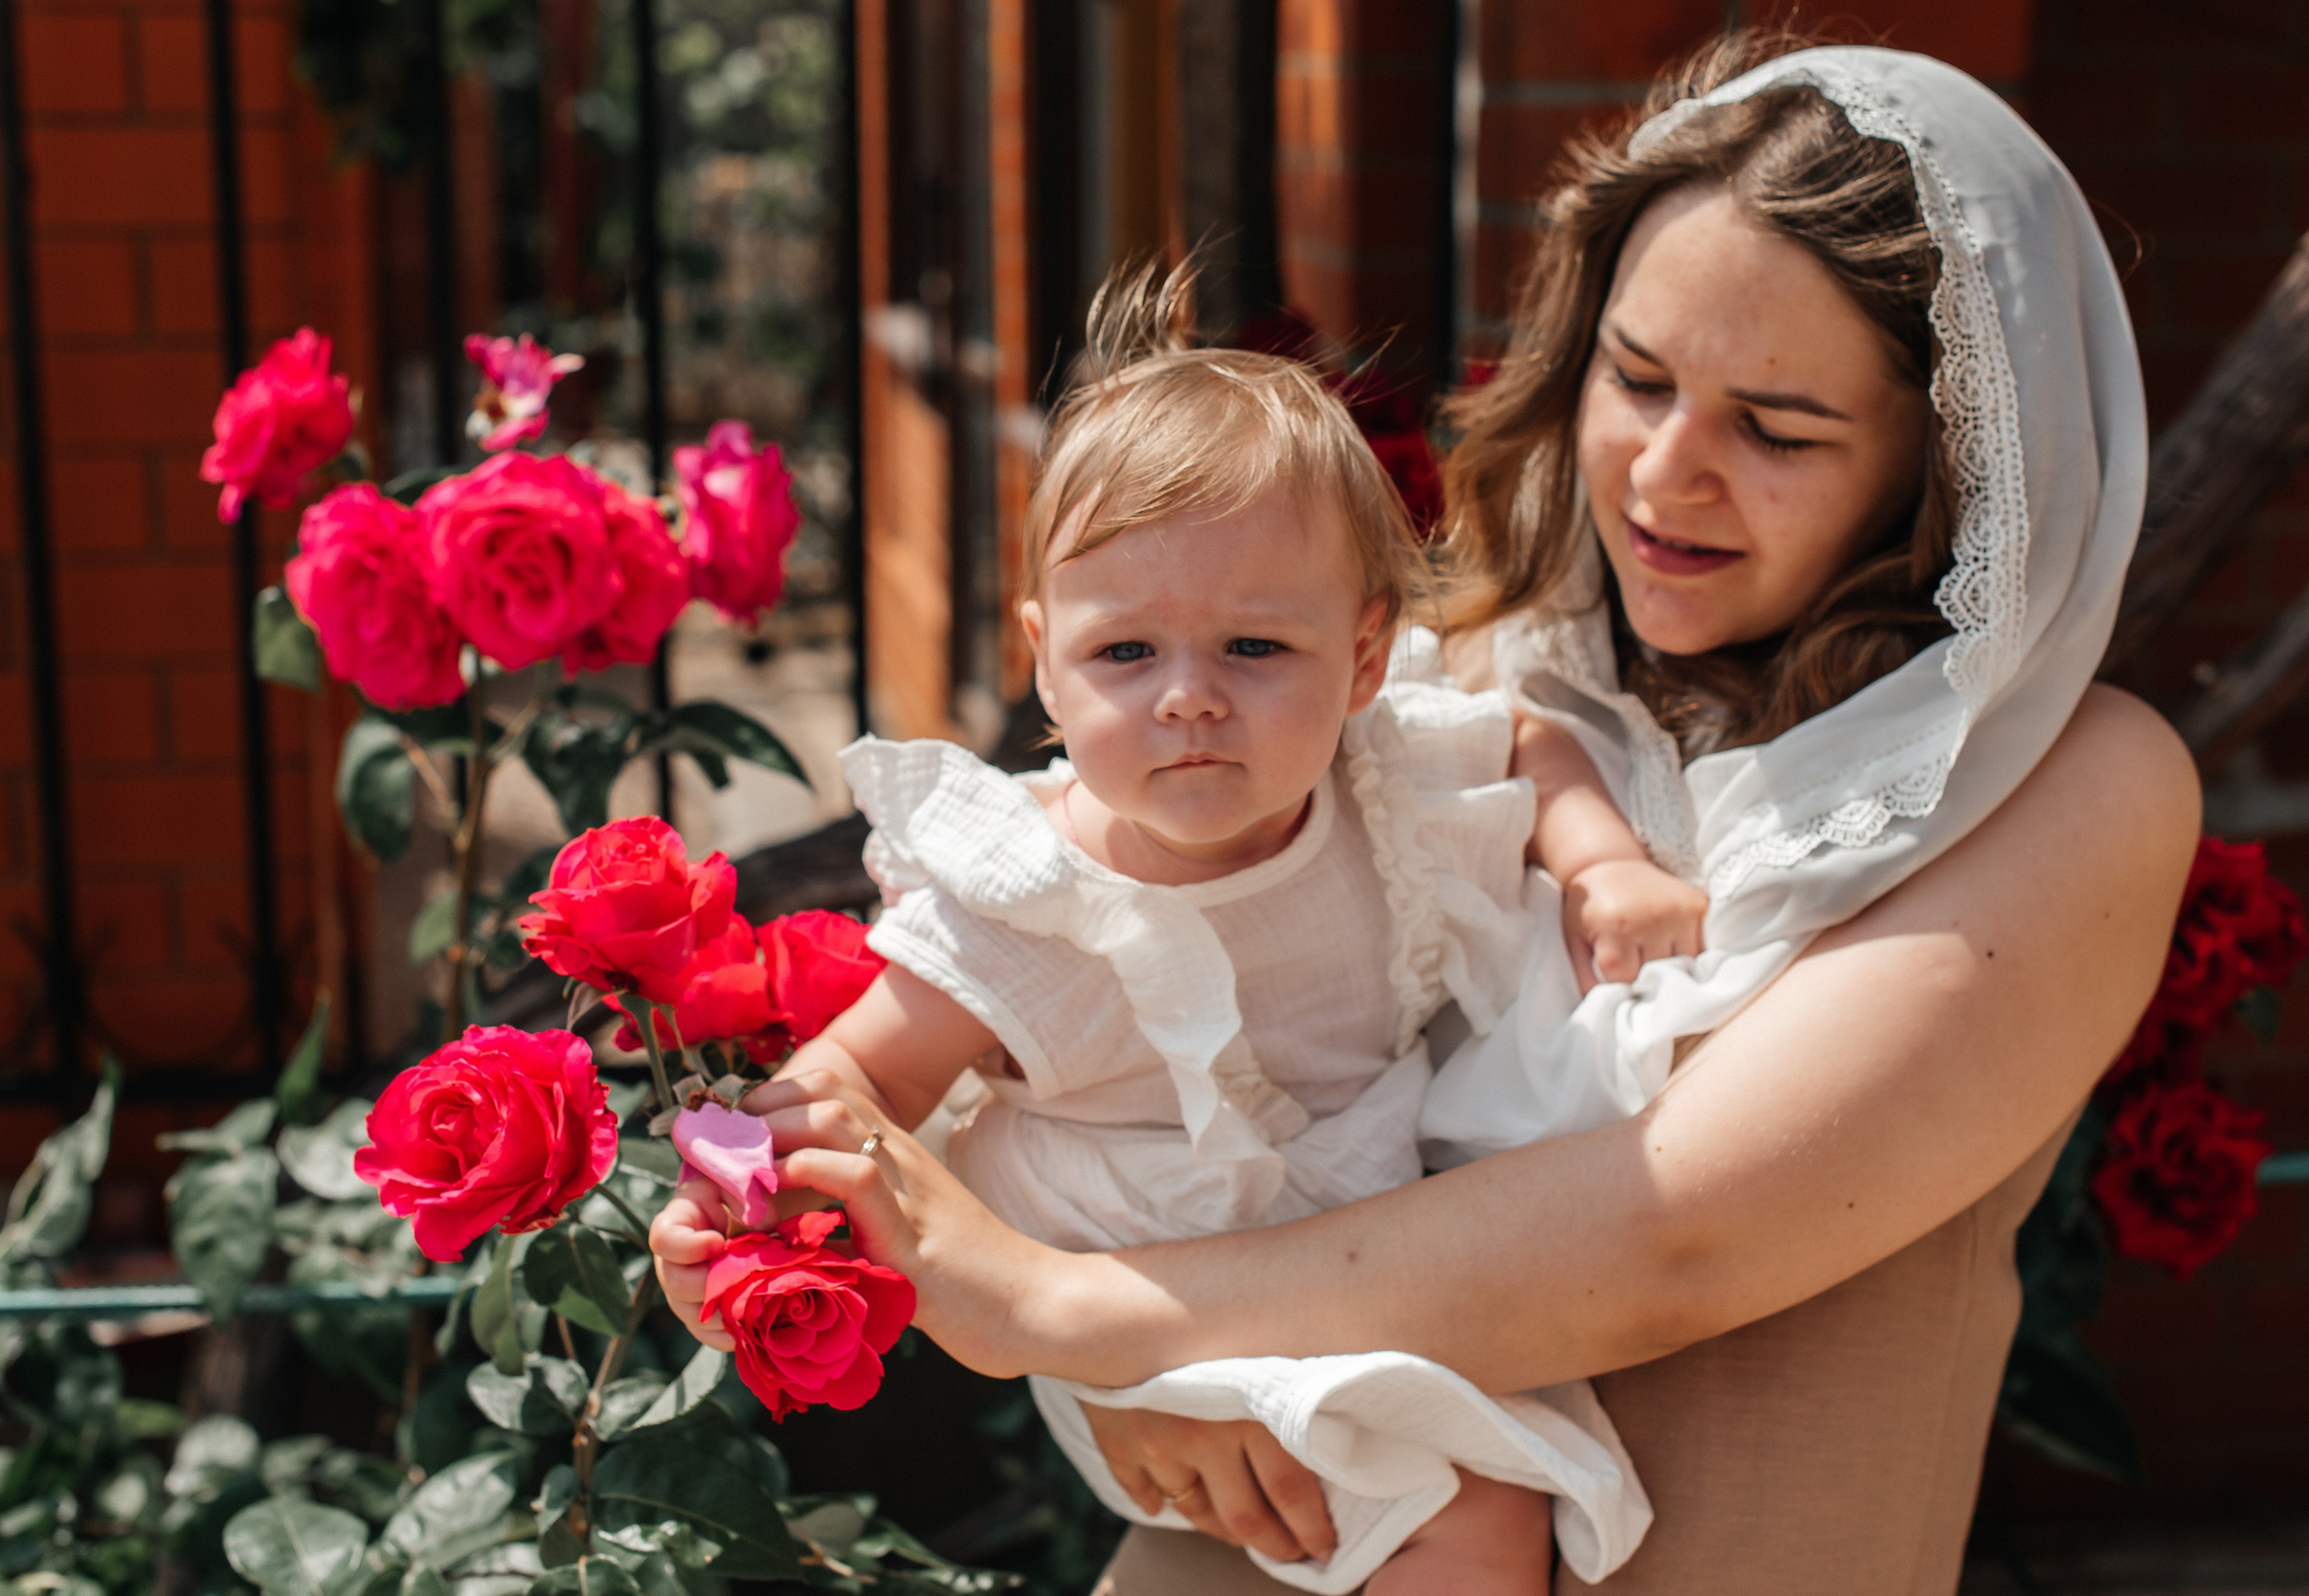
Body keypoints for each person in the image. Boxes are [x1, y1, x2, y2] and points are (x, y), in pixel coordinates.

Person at [656, 35, 2201, 1593]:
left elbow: (1676, 1233)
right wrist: (1089, 1362)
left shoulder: (2073, 787)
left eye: (1778, 429)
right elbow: (1097, 1043)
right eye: (1638, 378)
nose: (1667, 473)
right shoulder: (1451, 669)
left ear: (1940, 472)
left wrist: (1071, 1315)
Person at [670, 267, 1710, 1592]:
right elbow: (854, 1079)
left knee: (1484, 1498)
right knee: (1486, 1509)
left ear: (1366, 656)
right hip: (1137, 1314)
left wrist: (1603, 860)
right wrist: (736, 1209)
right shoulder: (1034, 908)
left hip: (1350, 1255)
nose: (1190, 701)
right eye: (1127, 656)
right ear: (1046, 660)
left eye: (1255, 650)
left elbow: (1525, 733)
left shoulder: (1378, 777)